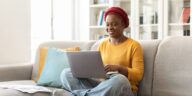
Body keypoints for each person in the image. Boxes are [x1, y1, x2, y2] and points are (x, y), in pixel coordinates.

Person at [60, 7, 144, 96]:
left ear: (123, 24)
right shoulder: (102, 44)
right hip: (102, 85)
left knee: (120, 79)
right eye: (107, 25)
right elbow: (97, 70)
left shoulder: (134, 45)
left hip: (121, 87)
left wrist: (118, 68)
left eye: (114, 24)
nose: (110, 28)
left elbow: (138, 75)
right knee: (66, 73)